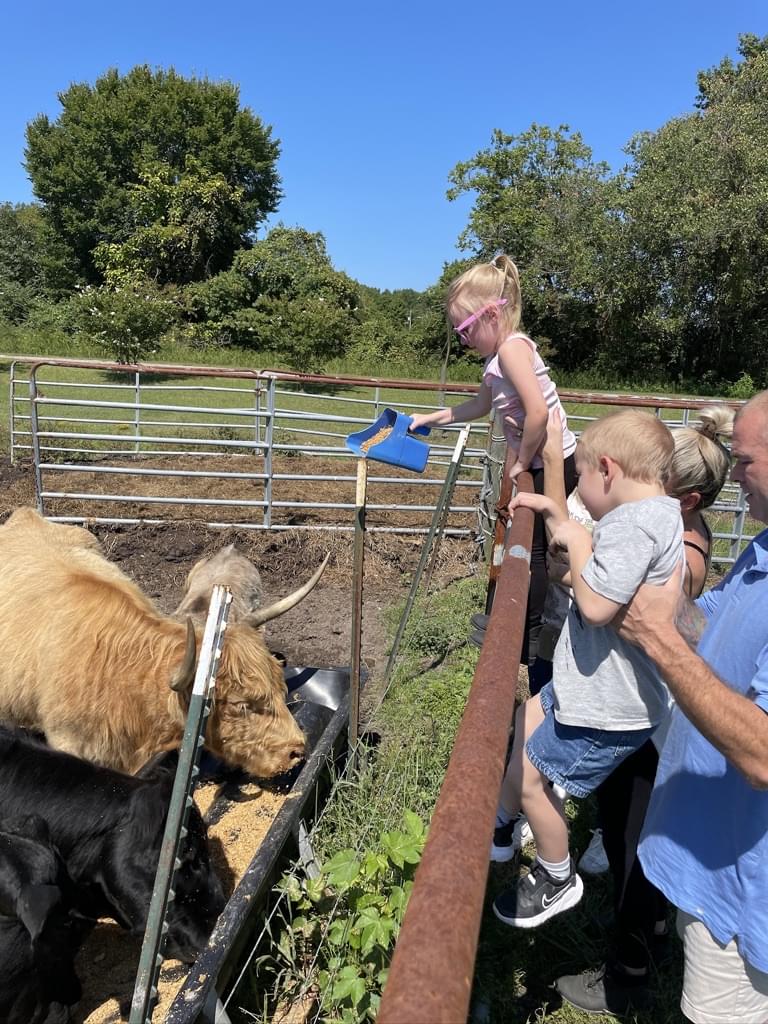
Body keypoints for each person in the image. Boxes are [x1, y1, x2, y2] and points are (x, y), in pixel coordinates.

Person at [561, 390, 768, 1024]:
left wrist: (655, 638)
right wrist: (646, 588)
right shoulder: (762, 552)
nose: (734, 474)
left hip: (748, 887)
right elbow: (711, 631)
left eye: (747, 461)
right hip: (714, 852)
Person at [490, 410, 683, 929]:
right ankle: (502, 824)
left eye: (581, 479)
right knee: (524, 719)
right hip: (589, 683)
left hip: (607, 705)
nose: (581, 495)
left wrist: (574, 538)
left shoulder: (636, 526)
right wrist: (558, 516)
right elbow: (605, 577)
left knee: (534, 779)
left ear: (607, 469)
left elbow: (597, 605)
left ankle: (556, 878)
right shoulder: (653, 517)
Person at [408, 254, 577, 667]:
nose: (463, 338)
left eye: (464, 329)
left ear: (491, 314)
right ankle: (527, 629)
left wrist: (519, 462)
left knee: (537, 551)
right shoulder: (494, 360)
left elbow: (538, 412)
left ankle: (530, 637)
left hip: (554, 460)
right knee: (532, 547)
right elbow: (482, 406)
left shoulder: (513, 350)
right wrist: (432, 417)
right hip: (537, 459)